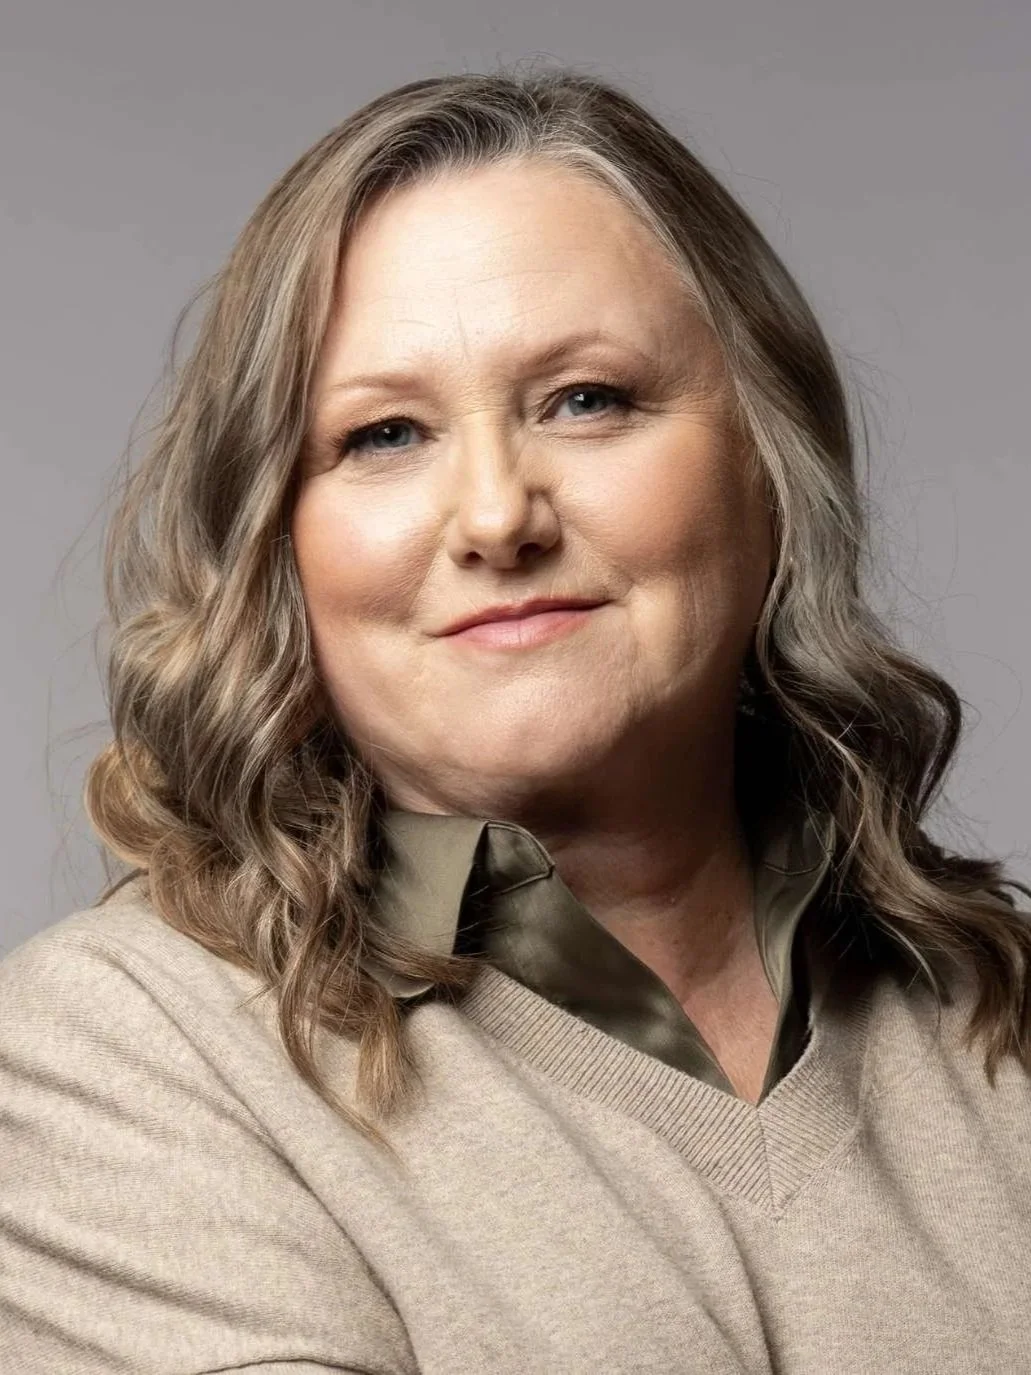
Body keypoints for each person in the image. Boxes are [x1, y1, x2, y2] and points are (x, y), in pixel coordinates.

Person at [1, 67, 1029, 1375]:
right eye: (382, 434)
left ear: (769, 467)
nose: (495, 517)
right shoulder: (113, 1062)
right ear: (277, 543)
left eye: (585, 399)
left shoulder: (997, 1018)